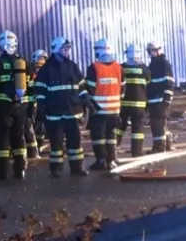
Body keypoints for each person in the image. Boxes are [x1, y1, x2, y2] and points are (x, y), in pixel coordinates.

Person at [34, 36, 89, 178]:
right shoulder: (46, 69)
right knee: (56, 143)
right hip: (54, 112)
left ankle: (77, 168)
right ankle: (56, 169)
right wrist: (41, 106)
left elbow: (81, 85)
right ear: (57, 50)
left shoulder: (72, 65)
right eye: (65, 49)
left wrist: (86, 100)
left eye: (68, 48)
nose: (67, 51)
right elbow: (39, 89)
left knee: (75, 142)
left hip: (72, 111)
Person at [0, 30, 29, 181]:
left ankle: (1, 172)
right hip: (20, 107)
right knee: (18, 137)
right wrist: (27, 106)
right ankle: (20, 170)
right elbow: (29, 85)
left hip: (3, 107)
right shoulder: (22, 62)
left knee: (2, 138)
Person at [81, 38, 123, 170]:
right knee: (111, 135)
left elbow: (90, 89)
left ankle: (101, 160)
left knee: (98, 136)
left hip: (98, 110)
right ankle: (112, 159)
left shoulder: (94, 68)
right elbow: (122, 89)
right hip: (114, 110)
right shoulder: (118, 67)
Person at [115, 44, 150, 157]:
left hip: (123, 103)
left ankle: (114, 147)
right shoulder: (144, 69)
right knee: (137, 129)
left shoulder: (121, 68)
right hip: (139, 105)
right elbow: (148, 84)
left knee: (120, 126)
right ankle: (137, 152)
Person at [145, 40, 175, 153]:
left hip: (160, 100)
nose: (151, 53)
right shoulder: (153, 64)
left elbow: (169, 83)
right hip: (153, 100)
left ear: (158, 50)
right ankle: (167, 144)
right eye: (150, 51)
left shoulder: (164, 64)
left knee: (158, 124)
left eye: (152, 51)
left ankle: (159, 147)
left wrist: (166, 100)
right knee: (158, 124)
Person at [24, 49, 49, 158]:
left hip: (42, 102)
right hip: (32, 102)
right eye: (40, 59)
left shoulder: (46, 72)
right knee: (31, 127)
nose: (42, 61)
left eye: (43, 59)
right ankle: (32, 150)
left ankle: (38, 147)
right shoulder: (30, 71)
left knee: (40, 127)